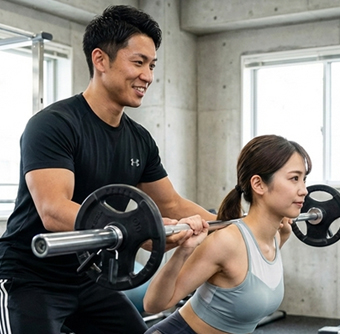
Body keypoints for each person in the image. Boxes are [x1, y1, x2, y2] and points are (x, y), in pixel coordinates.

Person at [0, 5, 214, 333]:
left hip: (89, 275)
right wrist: (136, 228)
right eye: (138, 62)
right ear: (101, 60)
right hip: (29, 278)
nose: (148, 76)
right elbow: (54, 212)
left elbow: (171, 204)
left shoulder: (139, 140)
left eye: (152, 65)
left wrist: (244, 228)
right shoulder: (53, 125)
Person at [144, 135, 308, 334]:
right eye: (294, 179)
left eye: (304, 179)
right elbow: (153, 305)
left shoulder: (277, 236)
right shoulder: (227, 241)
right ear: (258, 184)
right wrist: (185, 250)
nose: (304, 190)